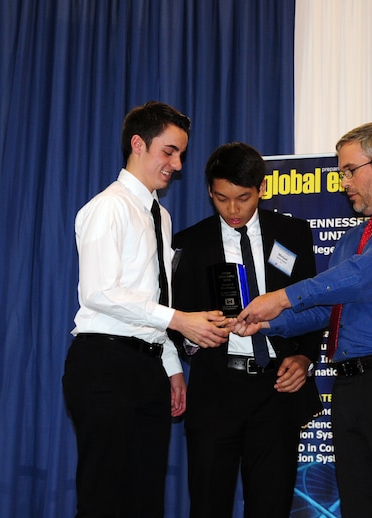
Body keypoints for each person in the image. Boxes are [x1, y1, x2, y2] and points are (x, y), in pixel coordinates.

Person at [234, 122, 372, 517]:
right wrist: (266, 323)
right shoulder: (353, 237)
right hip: (350, 386)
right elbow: (327, 310)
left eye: (349, 171)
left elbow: (365, 278)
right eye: (341, 173)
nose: (342, 182)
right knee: (360, 505)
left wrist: (282, 297)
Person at [62, 101, 231, 518]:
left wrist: (171, 366)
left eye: (181, 154)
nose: (176, 163)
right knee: (105, 498)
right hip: (104, 363)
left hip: (148, 367)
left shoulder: (162, 216)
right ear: (138, 144)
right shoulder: (109, 207)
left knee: (145, 498)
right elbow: (100, 292)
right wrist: (180, 322)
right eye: (169, 151)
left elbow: (157, 297)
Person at [171, 142, 323, 518]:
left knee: (271, 507)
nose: (233, 210)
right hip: (217, 390)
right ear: (209, 191)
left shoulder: (293, 234)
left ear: (262, 189)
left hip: (276, 391)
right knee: (208, 505)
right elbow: (174, 321)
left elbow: (313, 306)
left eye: (243, 197)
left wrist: (304, 356)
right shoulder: (189, 244)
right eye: (222, 199)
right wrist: (197, 335)